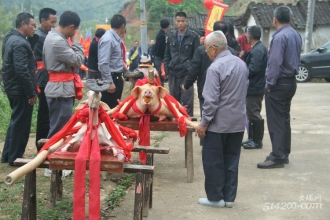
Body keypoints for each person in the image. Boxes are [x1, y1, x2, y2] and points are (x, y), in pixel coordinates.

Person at [195, 30, 248, 208]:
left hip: (218, 125)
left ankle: (215, 198)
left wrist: (203, 124)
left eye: (206, 50)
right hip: (237, 122)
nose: (206, 53)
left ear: (213, 48)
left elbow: (211, 101)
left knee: (213, 161)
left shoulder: (215, 68)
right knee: (232, 160)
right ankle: (229, 198)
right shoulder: (241, 64)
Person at [257, 6, 302, 169]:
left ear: (274, 20)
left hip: (279, 83)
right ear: (290, 19)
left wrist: (269, 84)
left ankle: (277, 156)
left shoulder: (279, 37)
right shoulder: (296, 34)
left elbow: (275, 63)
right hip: (290, 82)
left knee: (276, 121)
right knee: (284, 119)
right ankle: (283, 153)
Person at [182, 20, 238, 146]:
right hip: (227, 92)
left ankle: (206, 141)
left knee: (207, 114)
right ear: (227, 34)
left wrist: (186, 84)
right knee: (223, 116)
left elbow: (194, 69)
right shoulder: (232, 53)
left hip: (205, 91)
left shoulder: (201, 50)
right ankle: (224, 141)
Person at [1, 13, 37, 166]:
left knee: (16, 121)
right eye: (32, 25)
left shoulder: (9, 38)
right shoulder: (20, 43)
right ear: (23, 24)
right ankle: (16, 158)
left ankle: (8, 154)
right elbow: (21, 70)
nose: (34, 28)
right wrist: (31, 93)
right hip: (20, 89)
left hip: (11, 86)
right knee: (21, 124)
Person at [43, 11, 84, 139]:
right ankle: (52, 155)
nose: (74, 34)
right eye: (75, 30)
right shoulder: (57, 41)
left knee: (59, 126)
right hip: (60, 91)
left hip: (59, 88)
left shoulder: (54, 37)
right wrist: (76, 43)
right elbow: (78, 60)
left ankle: (53, 154)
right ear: (71, 27)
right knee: (59, 129)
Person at [164, 11, 200, 117]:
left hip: (186, 73)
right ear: (175, 22)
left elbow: (196, 57)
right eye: (178, 21)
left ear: (186, 21)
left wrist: (192, 72)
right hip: (173, 72)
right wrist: (167, 69)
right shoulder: (171, 37)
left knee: (187, 99)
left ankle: (188, 122)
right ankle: (176, 121)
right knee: (174, 100)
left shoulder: (193, 37)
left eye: (182, 21)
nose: (180, 23)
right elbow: (166, 55)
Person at [33, 8, 57, 151]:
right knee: (44, 115)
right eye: (52, 22)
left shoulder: (45, 36)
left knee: (47, 114)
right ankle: (41, 147)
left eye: (56, 22)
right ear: (43, 21)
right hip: (44, 78)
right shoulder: (41, 38)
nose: (54, 25)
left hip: (45, 77)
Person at [241, 25, 268, 149]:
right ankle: (251, 138)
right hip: (253, 86)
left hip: (255, 86)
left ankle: (257, 141)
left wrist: (242, 71)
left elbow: (254, 69)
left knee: (254, 113)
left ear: (249, 36)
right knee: (251, 113)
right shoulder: (256, 48)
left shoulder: (258, 50)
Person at [98, 14, 127, 109]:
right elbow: (103, 63)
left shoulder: (115, 39)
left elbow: (115, 60)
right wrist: (110, 82)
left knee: (115, 108)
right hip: (110, 79)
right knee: (108, 109)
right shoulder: (108, 39)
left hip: (116, 77)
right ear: (123, 26)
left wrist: (120, 75)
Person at [154, 18, 170, 86]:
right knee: (159, 76)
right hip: (160, 58)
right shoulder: (162, 35)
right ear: (168, 26)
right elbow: (160, 48)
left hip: (159, 58)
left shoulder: (161, 34)